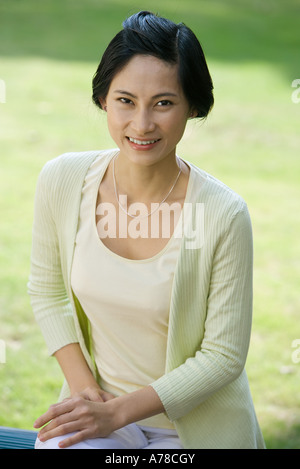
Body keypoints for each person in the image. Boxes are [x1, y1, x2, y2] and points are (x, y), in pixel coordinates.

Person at [28, 11, 265, 449]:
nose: (141, 124)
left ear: (193, 106)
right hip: (101, 414)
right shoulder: (62, 180)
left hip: (196, 433)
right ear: (103, 99)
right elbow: (47, 291)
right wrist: (89, 400)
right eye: (125, 101)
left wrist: (115, 412)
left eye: (163, 102)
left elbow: (223, 357)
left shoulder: (223, 214)